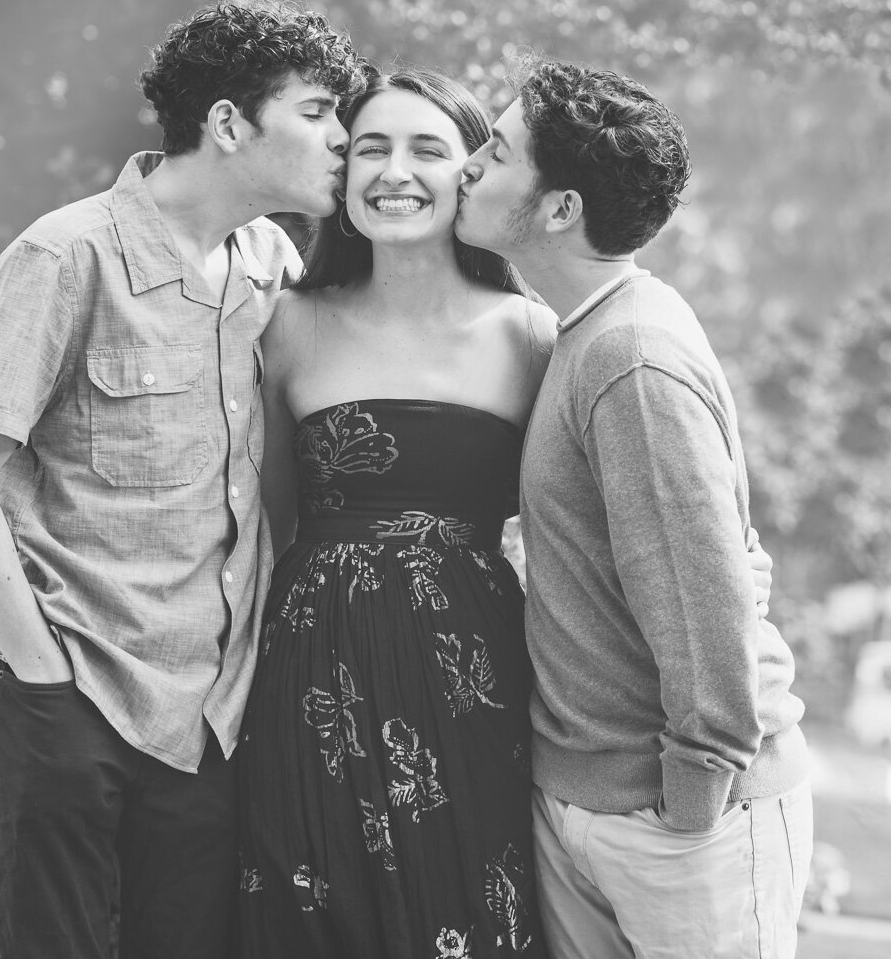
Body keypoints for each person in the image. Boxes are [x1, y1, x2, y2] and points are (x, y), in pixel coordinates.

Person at [237, 66, 775, 959]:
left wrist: (737, 569)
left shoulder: (538, 334)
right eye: (371, 147)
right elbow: (263, 526)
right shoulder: (287, 323)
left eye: (430, 150)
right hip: (310, 678)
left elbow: (622, 509)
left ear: (470, 176)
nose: (393, 171)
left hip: (473, 682)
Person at [0, 0, 365, 959]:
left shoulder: (268, 263)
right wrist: (41, 675)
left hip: (210, 720)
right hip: (73, 698)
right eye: (320, 110)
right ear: (228, 123)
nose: (344, 137)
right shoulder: (66, 253)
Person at [455, 58, 811, 959]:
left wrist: (688, 805)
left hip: (680, 821)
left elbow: (707, 607)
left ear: (560, 209)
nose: (468, 165)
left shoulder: (632, 358)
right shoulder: (586, 335)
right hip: (591, 805)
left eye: (495, 153)